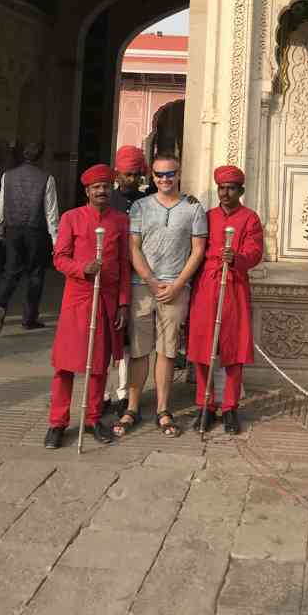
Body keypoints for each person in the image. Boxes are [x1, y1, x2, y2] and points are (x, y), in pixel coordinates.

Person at [113, 155, 207, 440]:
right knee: (140, 350)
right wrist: (152, 282)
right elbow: (134, 248)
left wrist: (178, 284)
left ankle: (163, 409)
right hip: (143, 286)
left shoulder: (193, 208)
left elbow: (198, 250)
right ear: (151, 175)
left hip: (176, 287)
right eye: (159, 174)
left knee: (167, 351)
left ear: (179, 173)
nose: (164, 179)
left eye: (170, 174)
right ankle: (131, 407)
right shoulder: (141, 206)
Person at [44, 164, 130, 449]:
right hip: (78, 298)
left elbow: (124, 266)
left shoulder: (120, 221)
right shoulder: (71, 218)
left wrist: (122, 304)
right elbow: (60, 258)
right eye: (97, 187)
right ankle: (57, 423)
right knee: (65, 365)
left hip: (106, 299)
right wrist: (83, 268)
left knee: (98, 365)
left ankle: (93, 418)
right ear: (87, 191)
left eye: (106, 186)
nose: (102, 191)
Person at [188, 165, 263, 435]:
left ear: (241, 190)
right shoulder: (207, 217)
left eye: (231, 188)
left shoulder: (250, 219)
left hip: (234, 287)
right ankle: (205, 406)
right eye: (221, 188)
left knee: (233, 351)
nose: (225, 193)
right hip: (207, 287)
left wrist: (239, 259)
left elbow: (255, 251)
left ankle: (230, 407)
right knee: (202, 349)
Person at [0, 142, 59, 334]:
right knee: (35, 274)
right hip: (35, 231)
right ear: (41, 157)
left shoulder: (8, 176)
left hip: (13, 229)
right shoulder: (47, 178)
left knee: (10, 272)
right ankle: (29, 318)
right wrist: (56, 240)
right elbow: (51, 213)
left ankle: (1, 305)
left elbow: (0, 207)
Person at [103, 144, 149, 416]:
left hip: (139, 280)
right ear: (117, 174)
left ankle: (123, 393)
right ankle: (104, 393)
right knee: (108, 340)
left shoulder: (148, 200)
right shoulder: (109, 202)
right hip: (113, 280)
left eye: (136, 175)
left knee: (131, 341)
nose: (131, 180)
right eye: (127, 175)